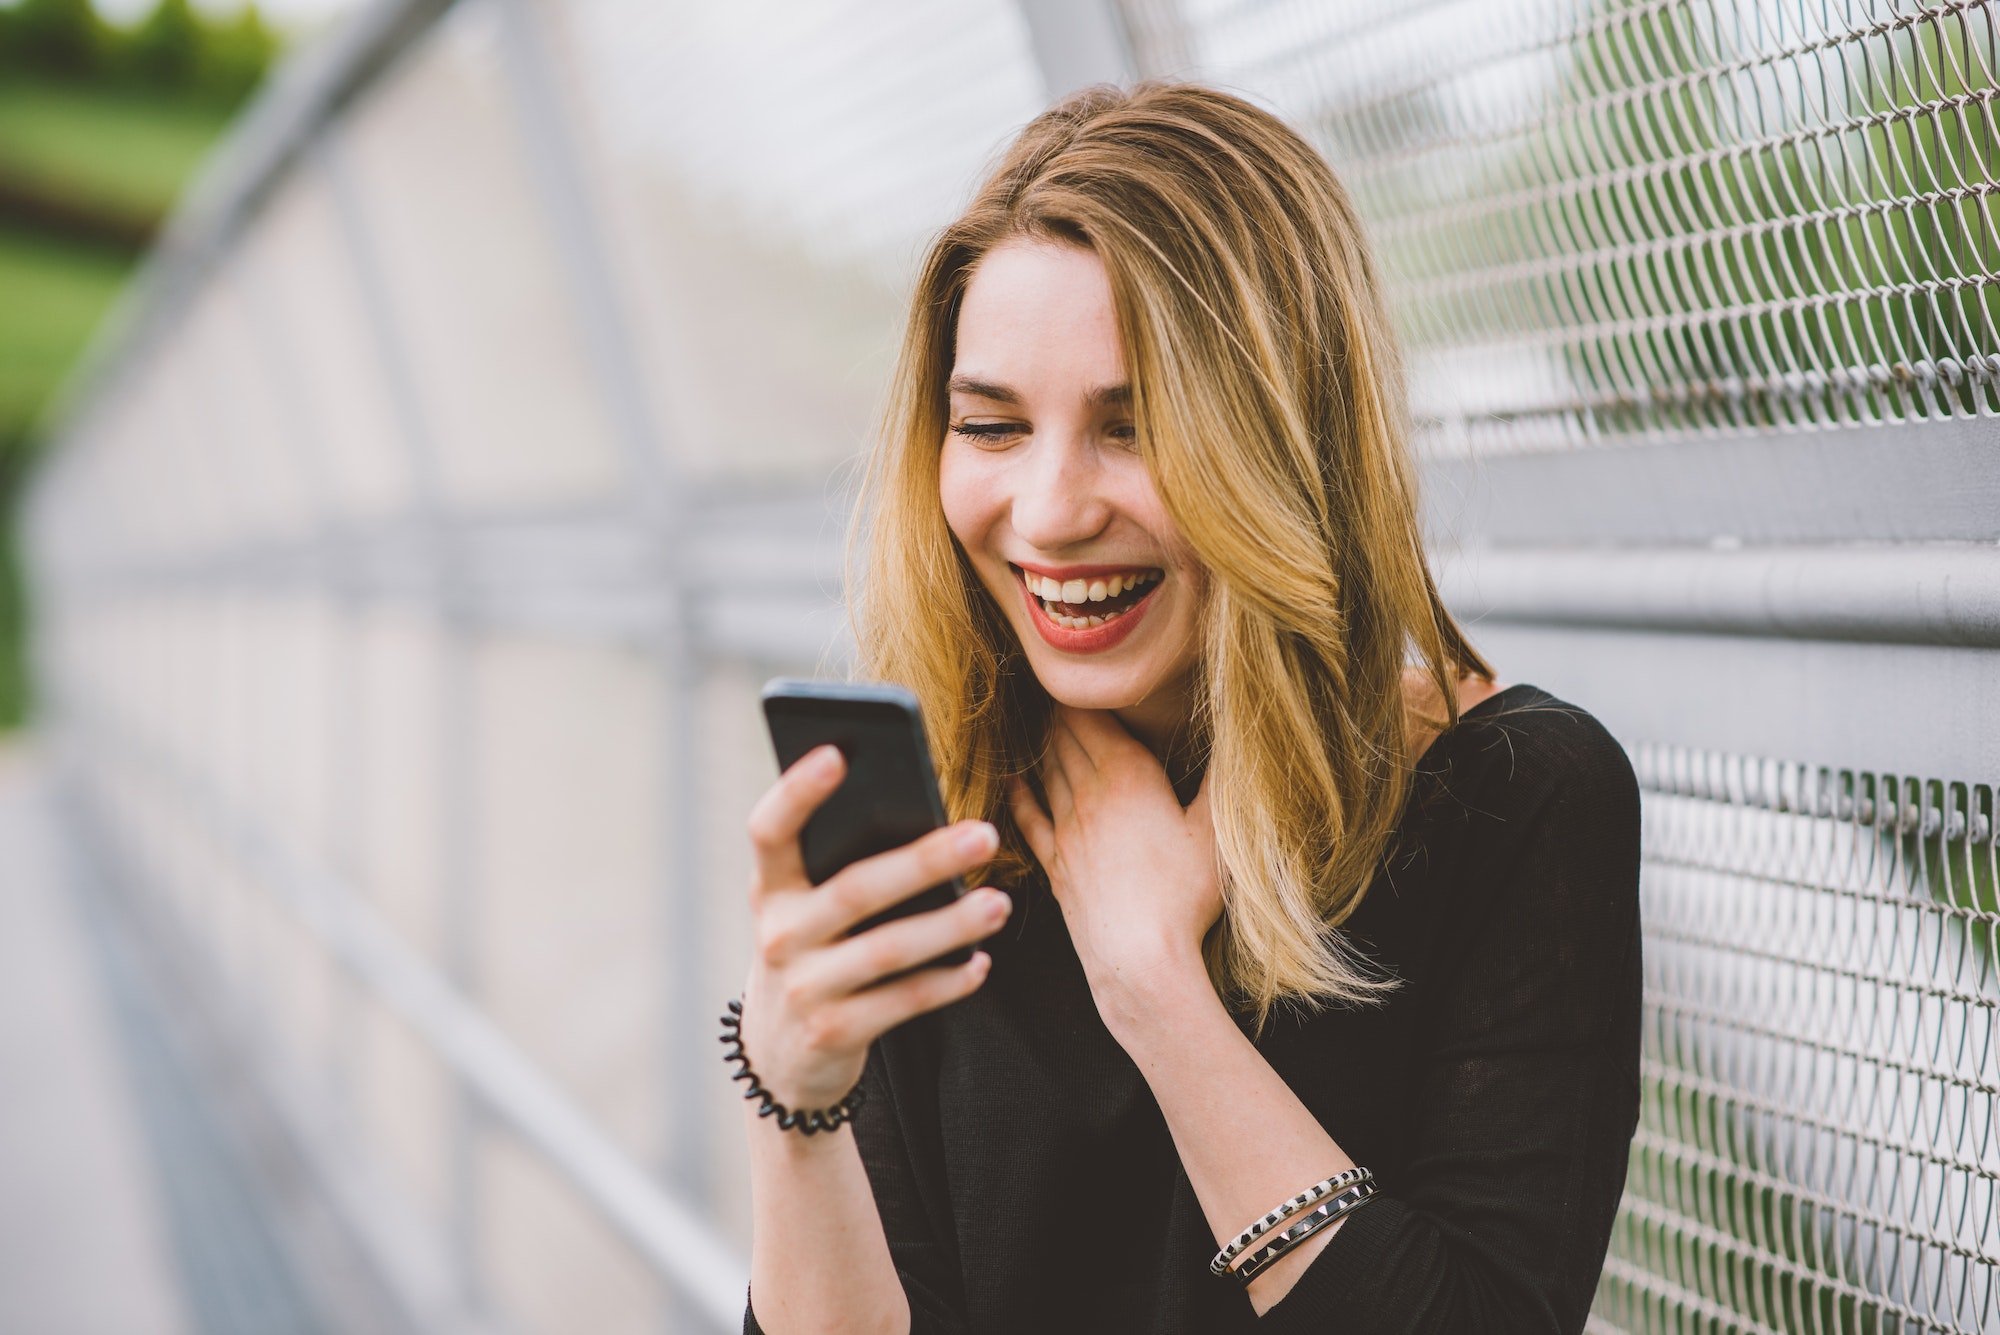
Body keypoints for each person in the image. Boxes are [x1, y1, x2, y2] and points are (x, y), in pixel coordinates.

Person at [731, 81, 1642, 1334]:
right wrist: (799, 1104)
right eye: (990, 426)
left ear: (1282, 441)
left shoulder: (1513, 799)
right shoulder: (940, 821)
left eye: (1134, 426)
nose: (1047, 511)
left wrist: (1154, 988)